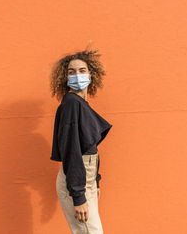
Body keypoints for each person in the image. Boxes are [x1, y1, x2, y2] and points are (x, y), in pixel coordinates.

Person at [49, 47, 113, 233]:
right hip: (78, 183)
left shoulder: (80, 103)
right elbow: (72, 150)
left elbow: (90, 147)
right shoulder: (71, 104)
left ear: (91, 75)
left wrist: (95, 182)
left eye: (82, 70)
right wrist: (79, 196)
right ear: (65, 78)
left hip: (87, 181)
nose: (77, 75)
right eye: (71, 72)